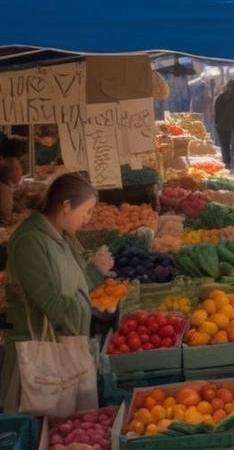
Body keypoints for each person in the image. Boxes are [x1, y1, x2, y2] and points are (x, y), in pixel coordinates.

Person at [0, 173, 113, 411]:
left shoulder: (61, 237)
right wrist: (85, 315)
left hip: (65, 345)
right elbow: (49, 301)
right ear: (66, 206)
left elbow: (74, 284)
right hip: (40, 355)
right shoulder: (30, 242)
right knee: (42, 425)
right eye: (86, 211)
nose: (88, 219)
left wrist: (95, 272)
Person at [213, 81, 234, 167]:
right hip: (226, 125)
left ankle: (227, 162)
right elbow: (216, 112)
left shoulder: (231, 98)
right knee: (226, 145)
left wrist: (217, 123)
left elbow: (216, 112)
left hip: (226, 125)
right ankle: (227, 162)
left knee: (225, 145)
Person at [0, 156, 23, 224]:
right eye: (19, 168)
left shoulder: (4, 187)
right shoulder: (5, 191)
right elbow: (5, 219)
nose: (21, 171)